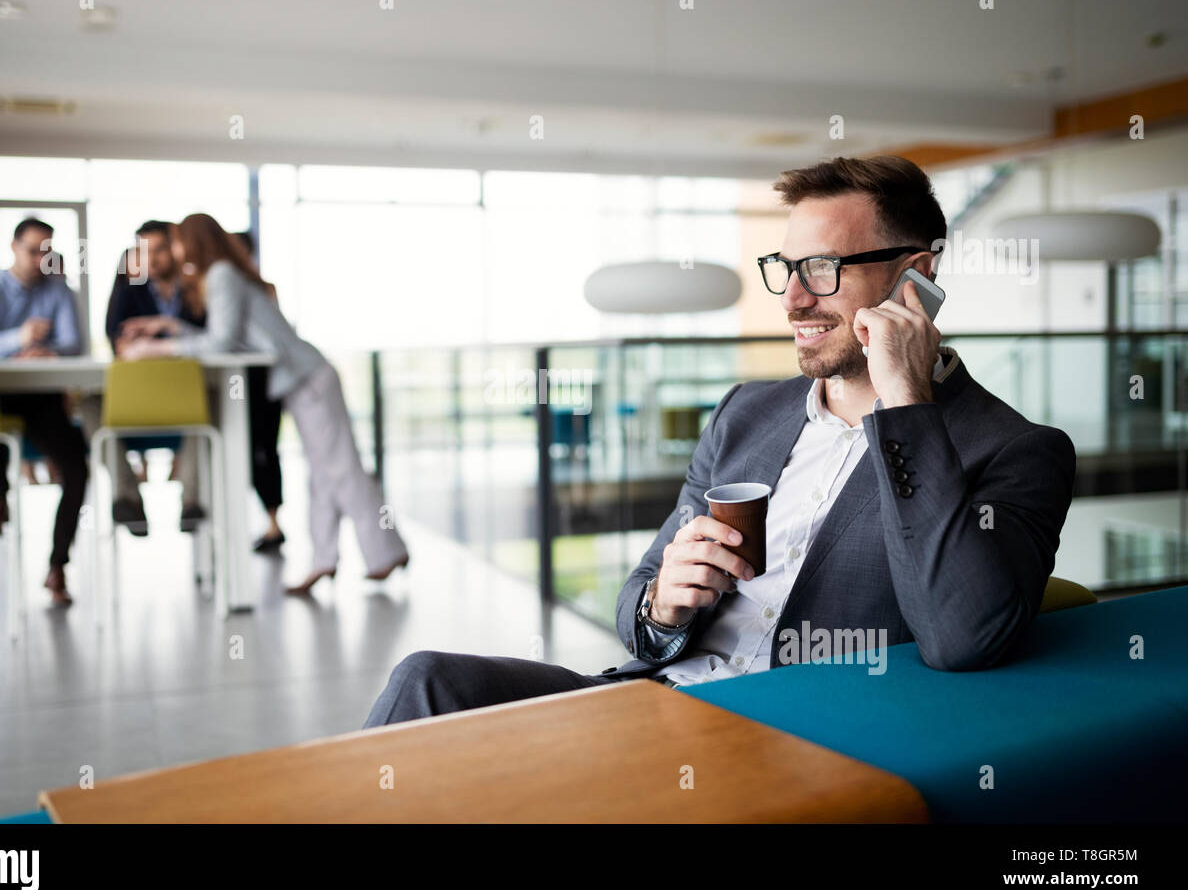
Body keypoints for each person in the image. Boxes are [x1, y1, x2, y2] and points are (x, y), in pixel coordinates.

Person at [362, 155, 1077, 727]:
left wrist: (905, 401)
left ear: (915, 278)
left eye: (824, 269)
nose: (795, 298)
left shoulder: (1015, 449)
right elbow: (637, 605)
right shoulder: (747, 412)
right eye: (788, 269)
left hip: (790, 736)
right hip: (655, 704)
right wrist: (662, 607)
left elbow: (964, 637)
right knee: (428, 682)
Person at [115, 213, 409, 592]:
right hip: (302, 382)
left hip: (309, 379)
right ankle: (328, 560)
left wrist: (154, 348)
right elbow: (230, 337)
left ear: (193, 240)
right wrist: (168, 325)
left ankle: (384, 552)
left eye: (175, 241)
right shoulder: (224, 273)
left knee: (343, 471)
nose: (172, 250)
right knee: (325, 474)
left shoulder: (220, 274)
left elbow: (220, 343)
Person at [0, 217, 89, 606]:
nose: (40, 259)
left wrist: (48, 351)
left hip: (42, 398)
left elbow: (73, 343)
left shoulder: (59, 291)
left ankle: (57, 566)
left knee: (76, 468)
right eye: (33, 251)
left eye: (46, 252)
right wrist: (19, 339)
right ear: (13, 248)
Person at [76, 221, 207, 535]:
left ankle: (192, 500)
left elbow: (213, 340)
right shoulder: (128, 292)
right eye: (145, 251)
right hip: (138, 396)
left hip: (185, 396)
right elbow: (119, 343)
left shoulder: (197, 290)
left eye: (160, 249)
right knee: (89, 405)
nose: (153, 258)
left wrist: (153, 345)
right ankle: (128, 496)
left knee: (213, 403)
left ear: (176, 249)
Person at [234, 230, 287, 553]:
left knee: (266, 449)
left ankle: (273, 523)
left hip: (265, 380)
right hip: (240, 381)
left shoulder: (262, 289)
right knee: (247, 449)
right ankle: (255, 522)